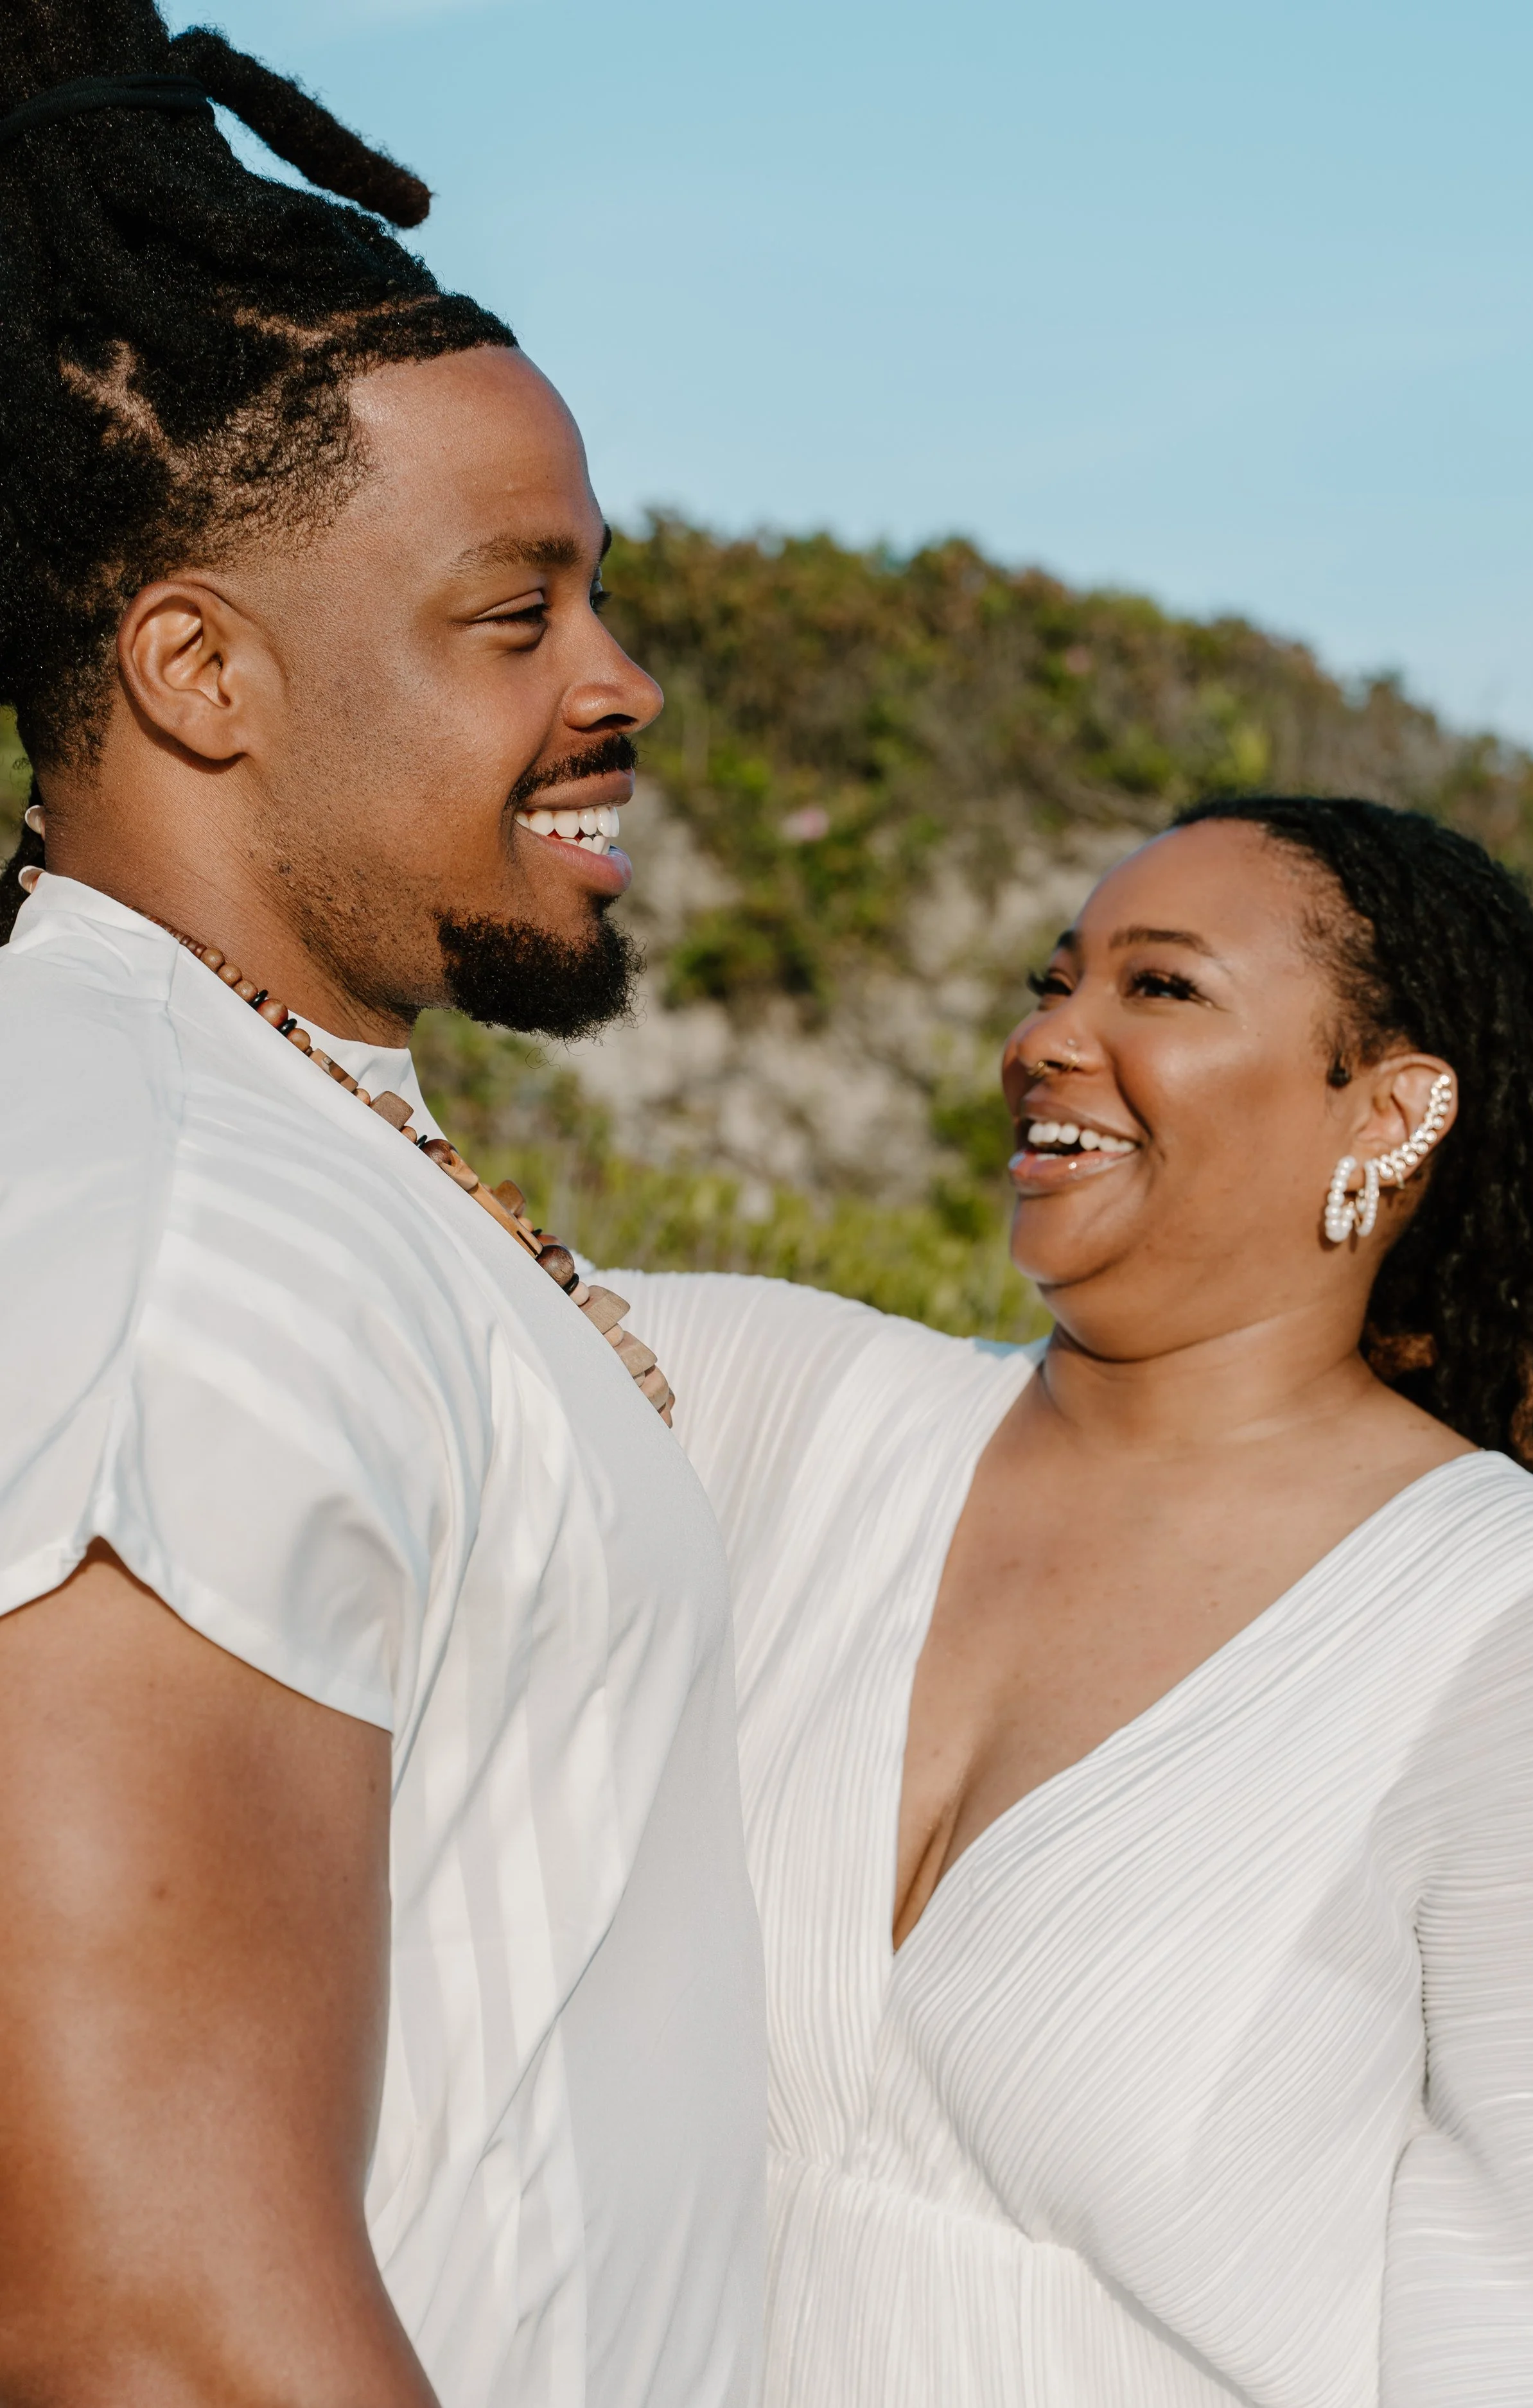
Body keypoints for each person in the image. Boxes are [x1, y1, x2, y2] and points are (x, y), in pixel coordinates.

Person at [0, 11, 764, 2407]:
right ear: (203, 671)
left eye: (600, 596)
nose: (620, 681)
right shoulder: (171, 1242)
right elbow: (148, 2318)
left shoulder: (282, 1143)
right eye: (513, 612)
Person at [613, 796, 1533, 2406]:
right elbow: (341, 1241)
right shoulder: (773, 1403)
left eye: (1158, 989)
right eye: (1049, 979)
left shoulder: (1529, 1636)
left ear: (1389, 1111)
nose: (1046, 1039)